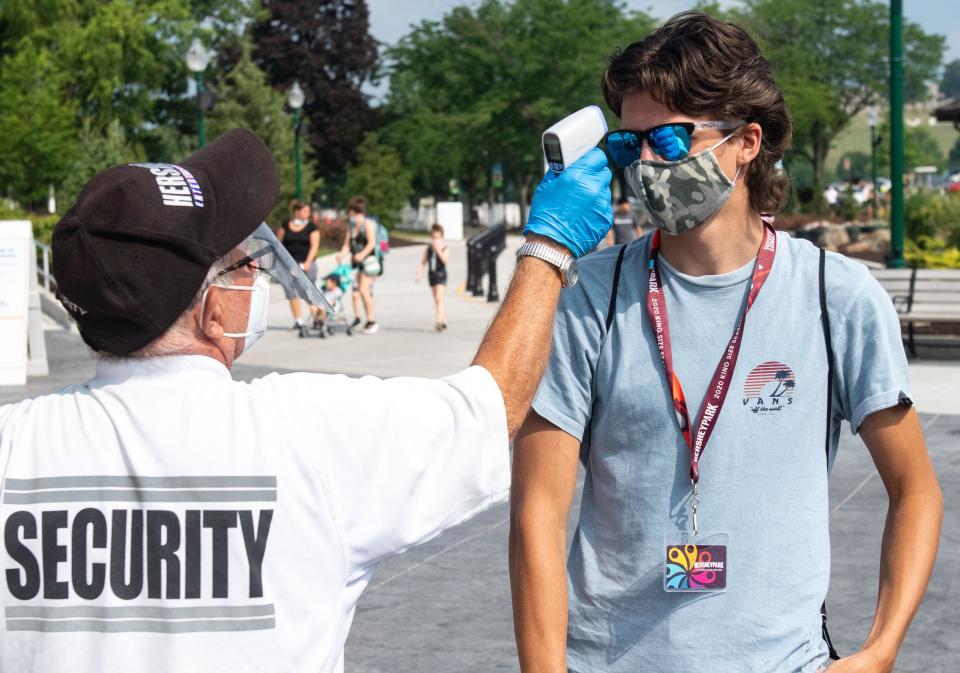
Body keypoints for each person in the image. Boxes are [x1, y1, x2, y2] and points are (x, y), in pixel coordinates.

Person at [0, 128, 613, 673]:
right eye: (245, 265)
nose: (259, 277)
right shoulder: (308, 434)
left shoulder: (13, 445)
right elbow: (491, 405)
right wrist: (548, 248)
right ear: (215, 309)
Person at [509, 13, 942, 673]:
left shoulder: (836, 295)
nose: (648, 162)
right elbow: (538, 505)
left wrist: (880, 649)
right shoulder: (587, 300)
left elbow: (916, 488)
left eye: (673, 139)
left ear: (747, 142)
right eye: (631, 145)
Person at [337, 196, 380, 335]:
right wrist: (342, 255)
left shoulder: (368, 224)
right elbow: (347, 245)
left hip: (368, 263)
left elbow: (372, 243)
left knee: (363, 291)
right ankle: (358, 318)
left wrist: (362, 254)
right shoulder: (351, 227)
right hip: (356, 264)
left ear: (353, 211)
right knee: (355, 294)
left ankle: (371, 321)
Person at [276, 199, 320, 329]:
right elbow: (279, 244)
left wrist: (308, 262)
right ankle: (298, 320)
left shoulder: (311, 227)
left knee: (307, 291)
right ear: (296, 211)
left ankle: (318, 317)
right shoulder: (285, 225)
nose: (308, 213)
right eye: (305, 211)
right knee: (290, 292)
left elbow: (314, 246)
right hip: (289, 265)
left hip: (306, 264)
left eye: (309, 211)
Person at [416, 223, 450, 331]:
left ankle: (439, 322)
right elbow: (423, 262)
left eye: (438, 238)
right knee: (437, 299)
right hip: (432, 275)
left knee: (439, 298)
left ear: (441, 237)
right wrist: (419, 274)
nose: (436, 241)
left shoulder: (445, 248)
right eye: (434, 238)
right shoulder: (429, 249)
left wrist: (439, 250)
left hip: (441, 275)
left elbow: (445, 260)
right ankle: (444, 320)